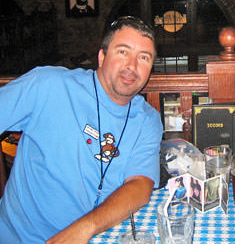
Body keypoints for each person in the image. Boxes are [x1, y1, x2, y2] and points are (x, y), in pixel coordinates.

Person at [0, 16, 163, 243]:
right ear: (102, 56)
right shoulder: (47, 85)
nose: (132, 66)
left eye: (143, 57)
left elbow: (140, 185)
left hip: (97, 236)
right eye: (123, 51)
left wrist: (85, 227)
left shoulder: (148, 119)